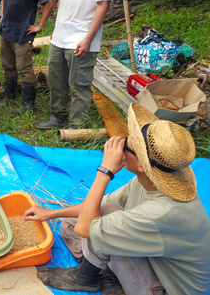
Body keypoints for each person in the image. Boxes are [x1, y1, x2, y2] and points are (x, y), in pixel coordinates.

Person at [25, 103, 210, 295]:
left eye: (125, 145)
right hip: (150, 258)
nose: (118, 146)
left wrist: (105, 171)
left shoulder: (162, 212)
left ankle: (86, 277)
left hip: (163, 289)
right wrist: (50, 213)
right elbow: (97, 205)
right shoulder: (149, 180)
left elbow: (87, 227)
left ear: (141, 165)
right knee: (69, 224)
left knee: (99, 220)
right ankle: (109, 276)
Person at [36, 0, 117, 129]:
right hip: (62, 34)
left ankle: (77, 125)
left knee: (79, 83)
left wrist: (88, 38)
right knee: (56, 79)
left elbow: (103, 5)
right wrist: (57, 27)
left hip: (82, 37)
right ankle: (58, 116)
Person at [0, 0, 54, 115]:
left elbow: (49, 1)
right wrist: (4, 13)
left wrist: (39, 25)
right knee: (8, 66)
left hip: (23, 32)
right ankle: (9, 97)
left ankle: (28, 105)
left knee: (25, 68)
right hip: (5, 29)